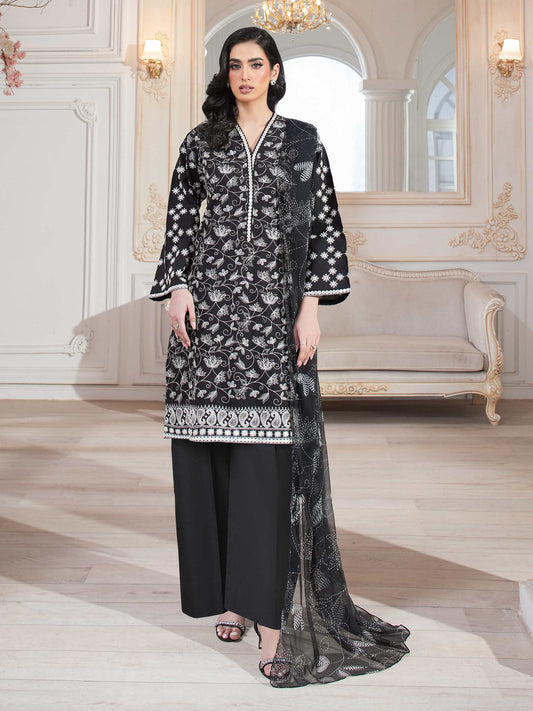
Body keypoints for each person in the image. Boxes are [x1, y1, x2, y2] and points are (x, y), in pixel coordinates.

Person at [149, 26, 411, 687]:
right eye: (234, 64)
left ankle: (271, 619)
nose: (244, 74)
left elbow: (323, 229)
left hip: (272, 320)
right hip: (208, 321)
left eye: (255, 63)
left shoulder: (301, 142)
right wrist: (177, 288)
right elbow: (179, 220)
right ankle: (232, 597)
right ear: (225, 73)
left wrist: (309, 308)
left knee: (266, 474)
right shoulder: (201, 142)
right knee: (210, 463)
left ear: (273, 71)